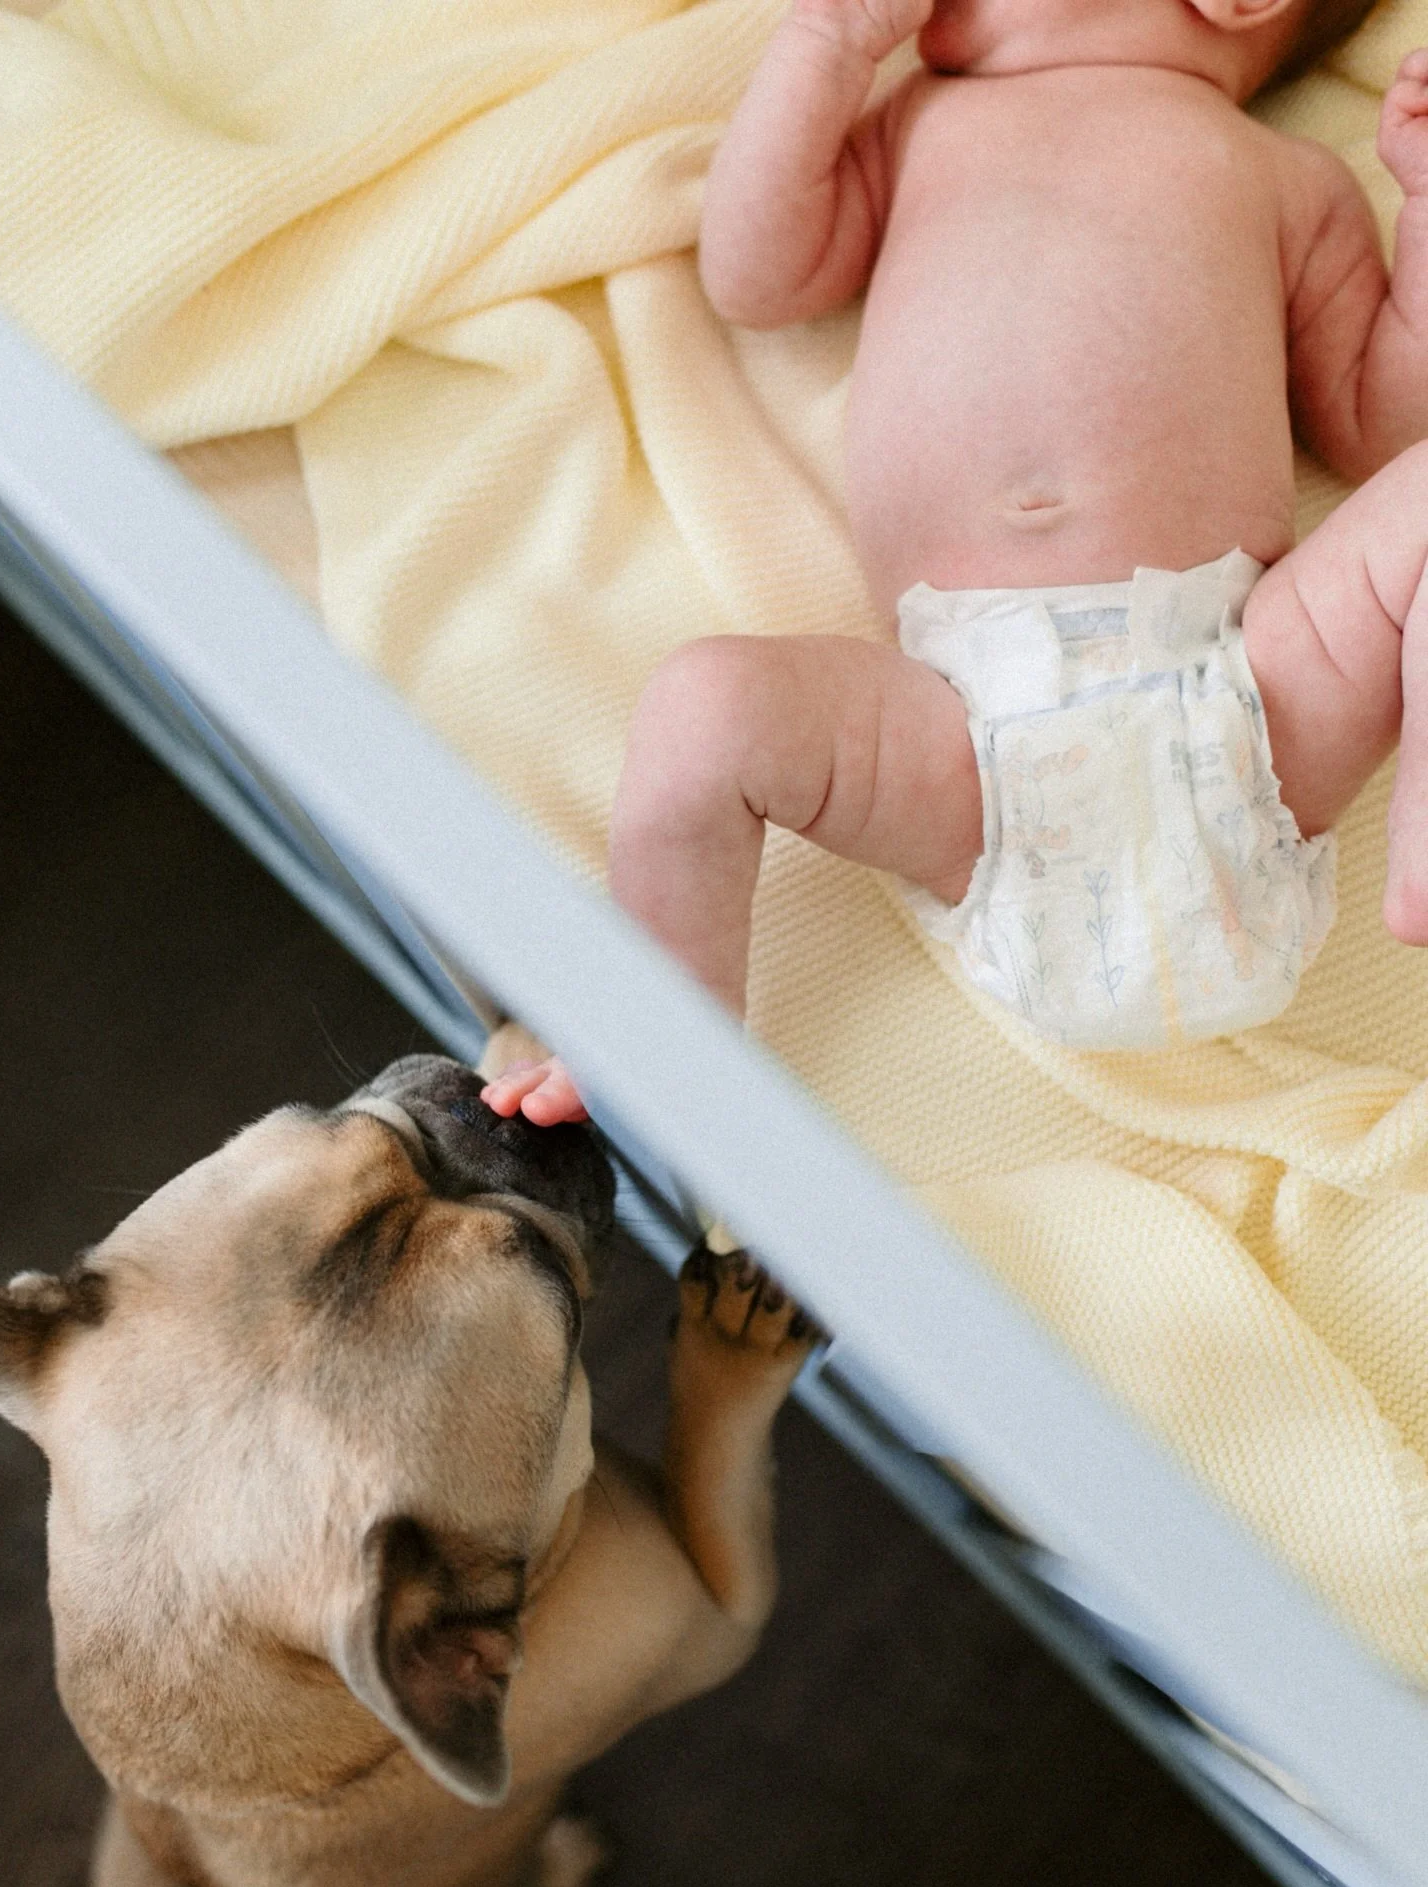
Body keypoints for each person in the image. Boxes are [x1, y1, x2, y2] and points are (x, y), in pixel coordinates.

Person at [485, 0, 1428, 1121]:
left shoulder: (1287, 178)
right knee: (705, 709)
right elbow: (755, 279)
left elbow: (1379, 422)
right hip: (970, 749)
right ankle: (660, 1041)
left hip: (1249, 692)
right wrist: (824, 49)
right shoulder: (916, 123)